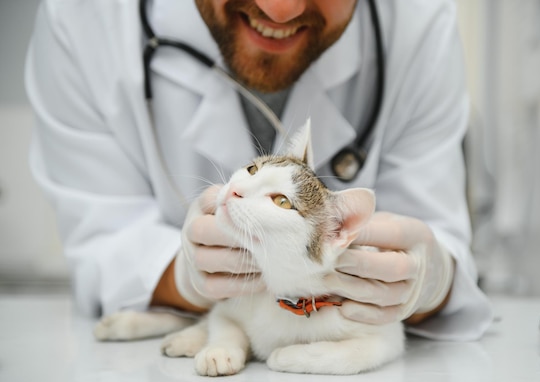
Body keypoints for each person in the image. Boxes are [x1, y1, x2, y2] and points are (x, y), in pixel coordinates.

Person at [26, 0, 493, 341]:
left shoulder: (419, 22)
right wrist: (188, 274)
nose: (280, 9)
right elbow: (105, 244)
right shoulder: (83, 18)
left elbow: (440, 239)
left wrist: (428, 279)